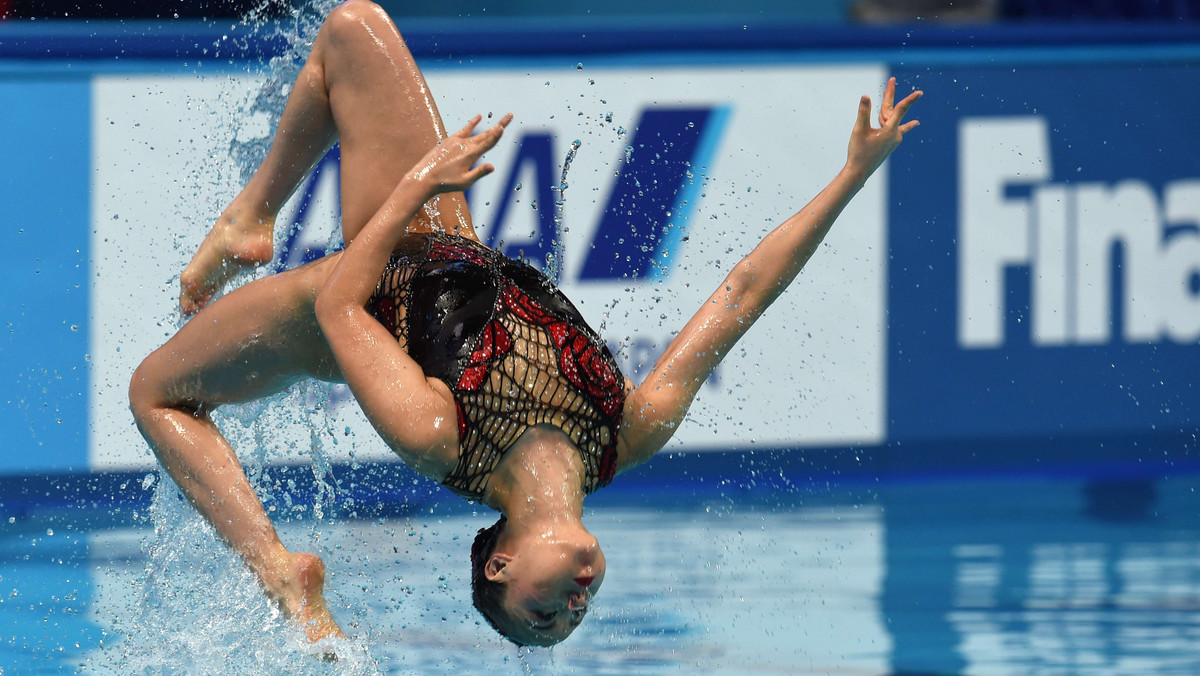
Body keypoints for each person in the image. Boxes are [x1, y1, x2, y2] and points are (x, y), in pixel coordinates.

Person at [128, 0, 921, 648]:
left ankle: (276, 569)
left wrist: (413, 188)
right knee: (351, 28)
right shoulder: (627, 431)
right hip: (444, 241)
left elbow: (341, 306)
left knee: (155, 393)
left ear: (501, 564)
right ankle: (249, 219)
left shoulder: (440, 437)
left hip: (341, 297)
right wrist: (851, 177)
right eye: (575, 619)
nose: (572, 607)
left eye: (542, 614)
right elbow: (744, 294)